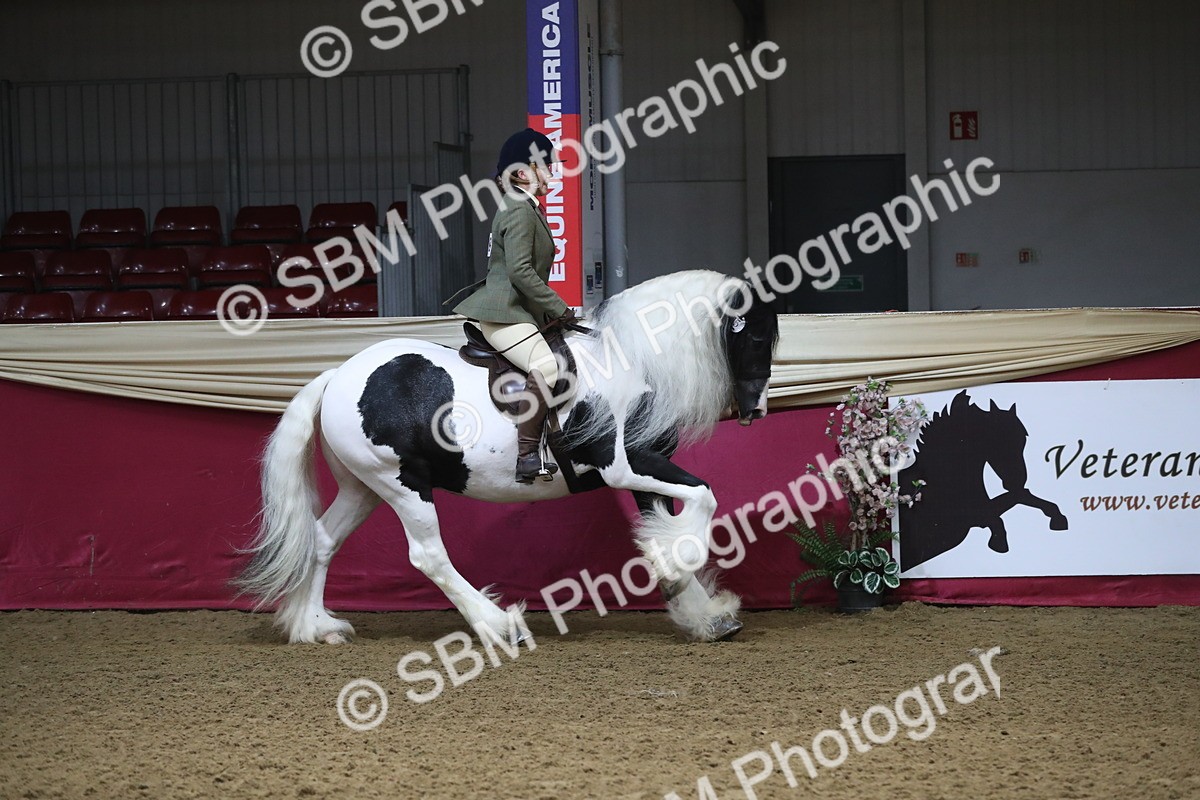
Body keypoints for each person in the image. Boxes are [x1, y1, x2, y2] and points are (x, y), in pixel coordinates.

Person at [448, 128, 577, 483]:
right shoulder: (520, 211)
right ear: (522, 173)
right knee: (547, 368)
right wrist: (559, 307)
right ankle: (526, 456)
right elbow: (520, 272)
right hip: (505, 314)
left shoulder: (524, 208)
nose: (552, 171)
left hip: (517, 311)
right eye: (545, 166)